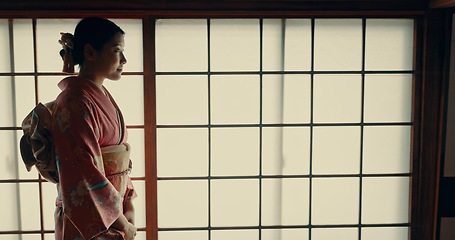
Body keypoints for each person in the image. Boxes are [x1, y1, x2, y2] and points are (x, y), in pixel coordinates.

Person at [52, 17, 137, 240]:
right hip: (89, 221)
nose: (124, 60)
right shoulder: (74, 101)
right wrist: (122, 222)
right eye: (117, 51)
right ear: (90, 52)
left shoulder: (99, 95)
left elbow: (119, 162)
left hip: (115, 212)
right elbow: (84, 172)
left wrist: (128, 205)